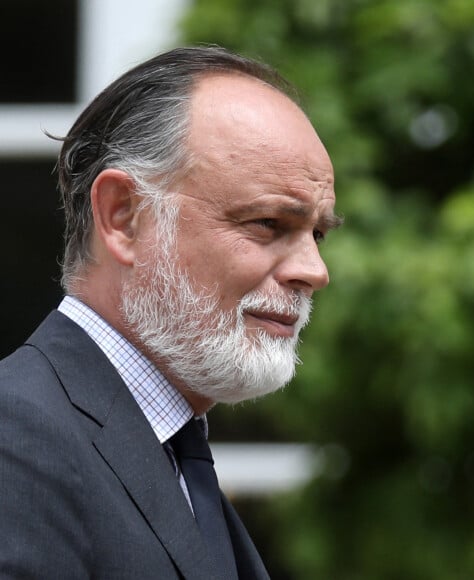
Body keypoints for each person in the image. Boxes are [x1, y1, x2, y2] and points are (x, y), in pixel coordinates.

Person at [0, 46, 342, 579]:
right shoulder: (17, 438)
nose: (314, 270)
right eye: (269, 223)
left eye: (317, 233)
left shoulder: (171, 451)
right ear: (124, 216)